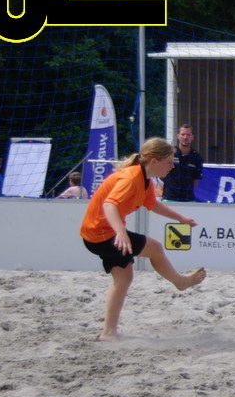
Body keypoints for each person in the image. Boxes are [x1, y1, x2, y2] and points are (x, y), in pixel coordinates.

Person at [80, 137, 207, 341]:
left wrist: (180, 218)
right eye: (169, 162)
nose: (172, 166)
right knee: (154, 249)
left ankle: (108, 332)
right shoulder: (131, 177)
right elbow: (109, 205)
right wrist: (121, 232)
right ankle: (180, 282)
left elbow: (153, 205)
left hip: (99, 234)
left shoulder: (144, 179)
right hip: (102, 234)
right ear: (154, 161)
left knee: (124, 279)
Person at [162, 124, 204, 202]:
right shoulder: (169, 154)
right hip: (170, 198)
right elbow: (161, 174)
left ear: (192, 137)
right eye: (183, 134)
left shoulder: (197, 158)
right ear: (178, 136)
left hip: (188, 200)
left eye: (188, 135)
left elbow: (196, 180)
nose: (185, 137)